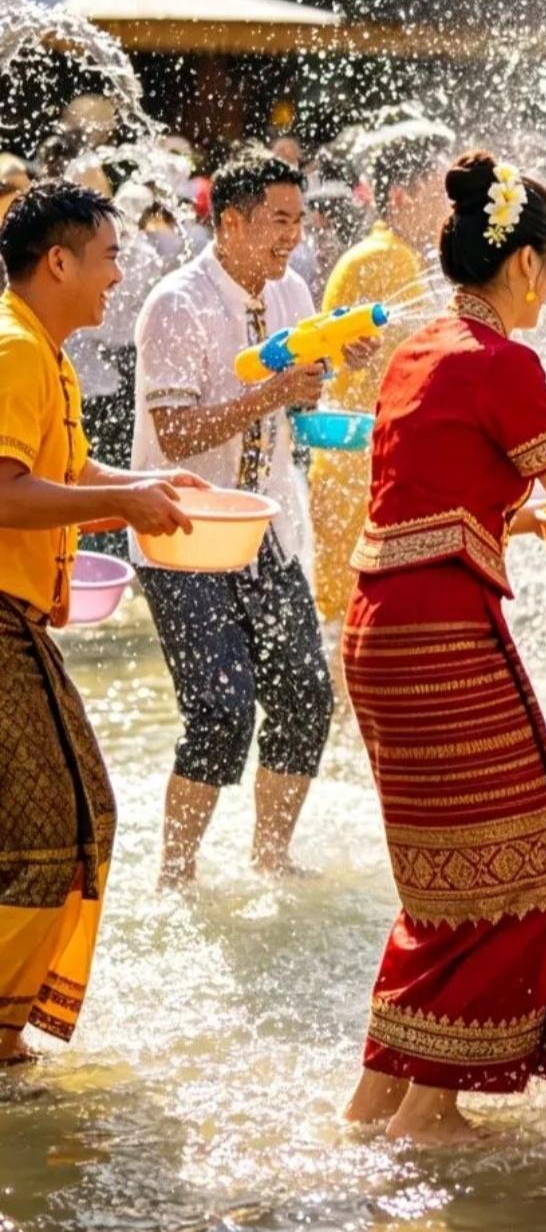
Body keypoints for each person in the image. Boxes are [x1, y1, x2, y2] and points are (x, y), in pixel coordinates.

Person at [341, 151, 546, 1146]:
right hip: (437, 630)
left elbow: (451, 496)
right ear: (527, 265)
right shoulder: (505, 360)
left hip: (379, 628)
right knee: (530, 856)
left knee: (441, 873)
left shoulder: (421, 348)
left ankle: (376, 1102)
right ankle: (432, 1109)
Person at [0, 183, 199, 1065]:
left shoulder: (44, 350)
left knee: (79, 817)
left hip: (21, 622)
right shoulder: (12, 348)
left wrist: (142, 490)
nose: (121, 274)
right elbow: (2, 491)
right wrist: (122, 497)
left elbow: (62, 466)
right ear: (58, 262)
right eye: (111, 255)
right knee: (54, 828)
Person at [132, 153, 349, 885]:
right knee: (221, 710)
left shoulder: (290, 290)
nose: (294, 234)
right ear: (230, 221)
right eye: (278, 220)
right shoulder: (176, 303)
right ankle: (176, 871)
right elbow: (175, 435)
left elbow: (301, 399)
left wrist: (323, 373)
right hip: (183, 534)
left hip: (267, 534)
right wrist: (273, 392)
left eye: (298, 218)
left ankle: (270, 858)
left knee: (306, 696)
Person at [308, 127, 450, 635]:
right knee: (362, 626)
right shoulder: (384, 261)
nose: (446, 211)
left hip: (362, 468)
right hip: (361, 473)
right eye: (438, 196)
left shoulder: (393, 255)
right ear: (400, 196)